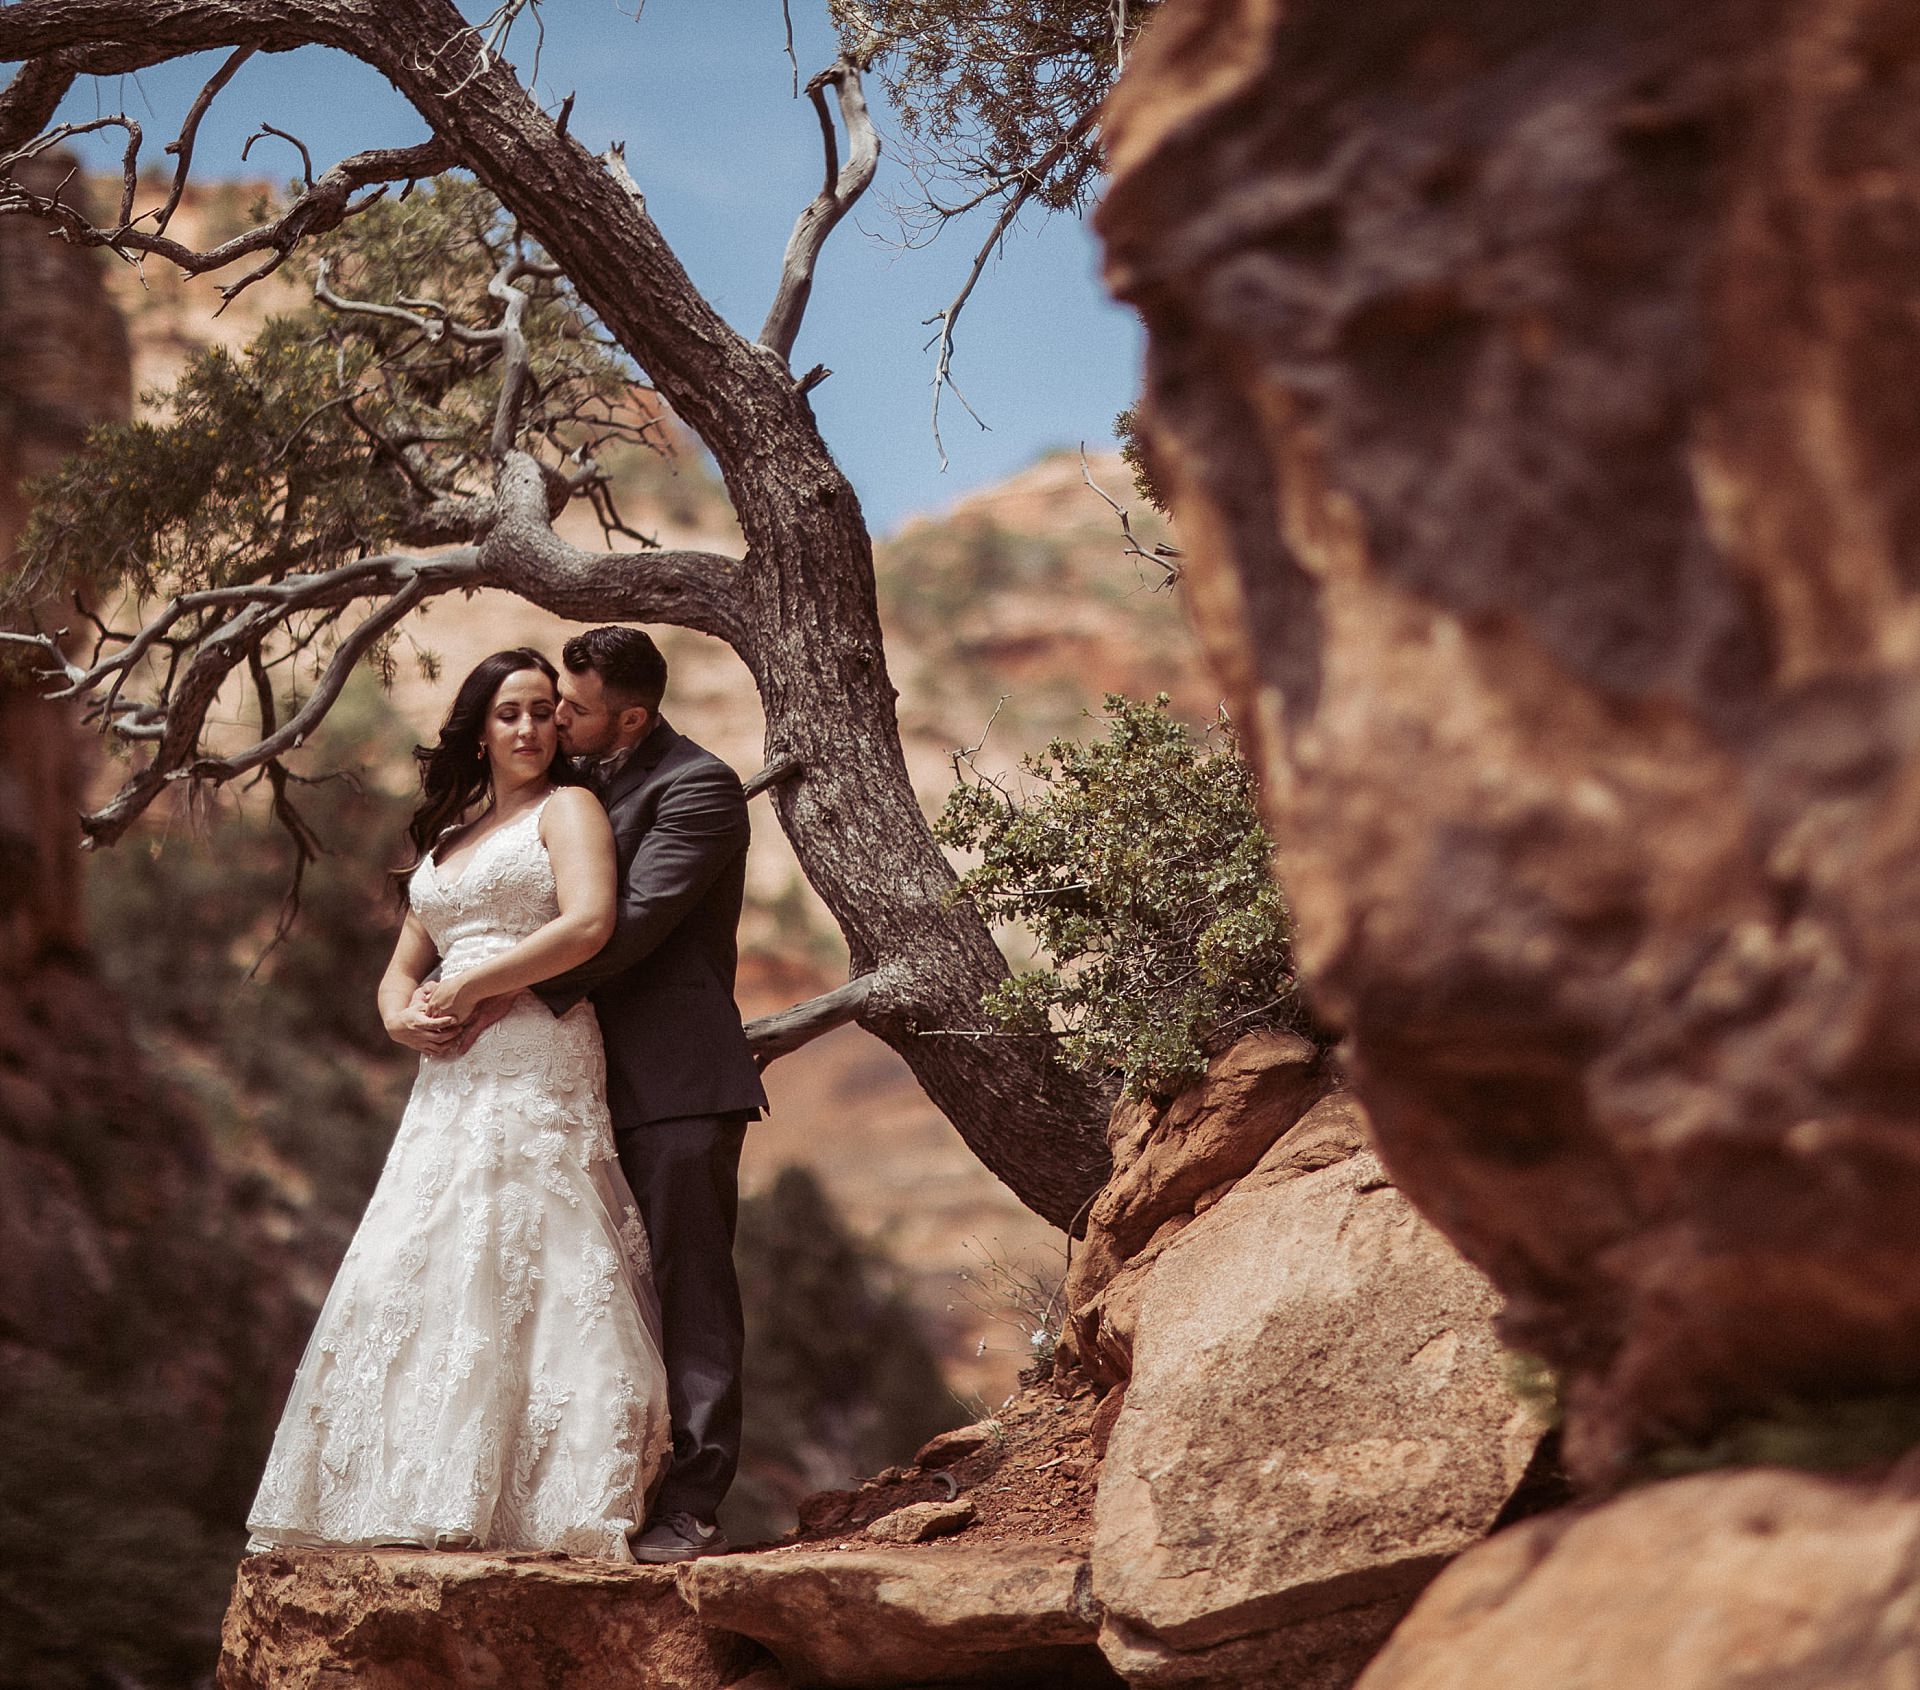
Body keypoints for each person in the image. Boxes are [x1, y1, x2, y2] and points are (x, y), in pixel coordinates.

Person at [244, 648, 671, 1560]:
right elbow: (401, 968)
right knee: (425, 1249)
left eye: (544, 711)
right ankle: (411, 1485)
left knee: (532, 1246)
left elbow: (590, 923)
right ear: (479, 727)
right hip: (450, 1073)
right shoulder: (448, 838)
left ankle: (548, 1496)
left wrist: (477, 985)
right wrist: (402, 1017)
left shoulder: (572, 808)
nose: (528, 728)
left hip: (534, 1049)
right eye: (509, 713)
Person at [455, 626, 767, 1563]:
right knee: (592, 1293)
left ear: (630, 716)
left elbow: (626, 925)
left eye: (574, 708)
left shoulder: (697, 787)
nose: (555, 718)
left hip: (672, 1080)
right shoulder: (573, 787)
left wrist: (503, 991)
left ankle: (693, 1506)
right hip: (566, 1082)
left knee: (688, 1287)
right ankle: (594, 1487)